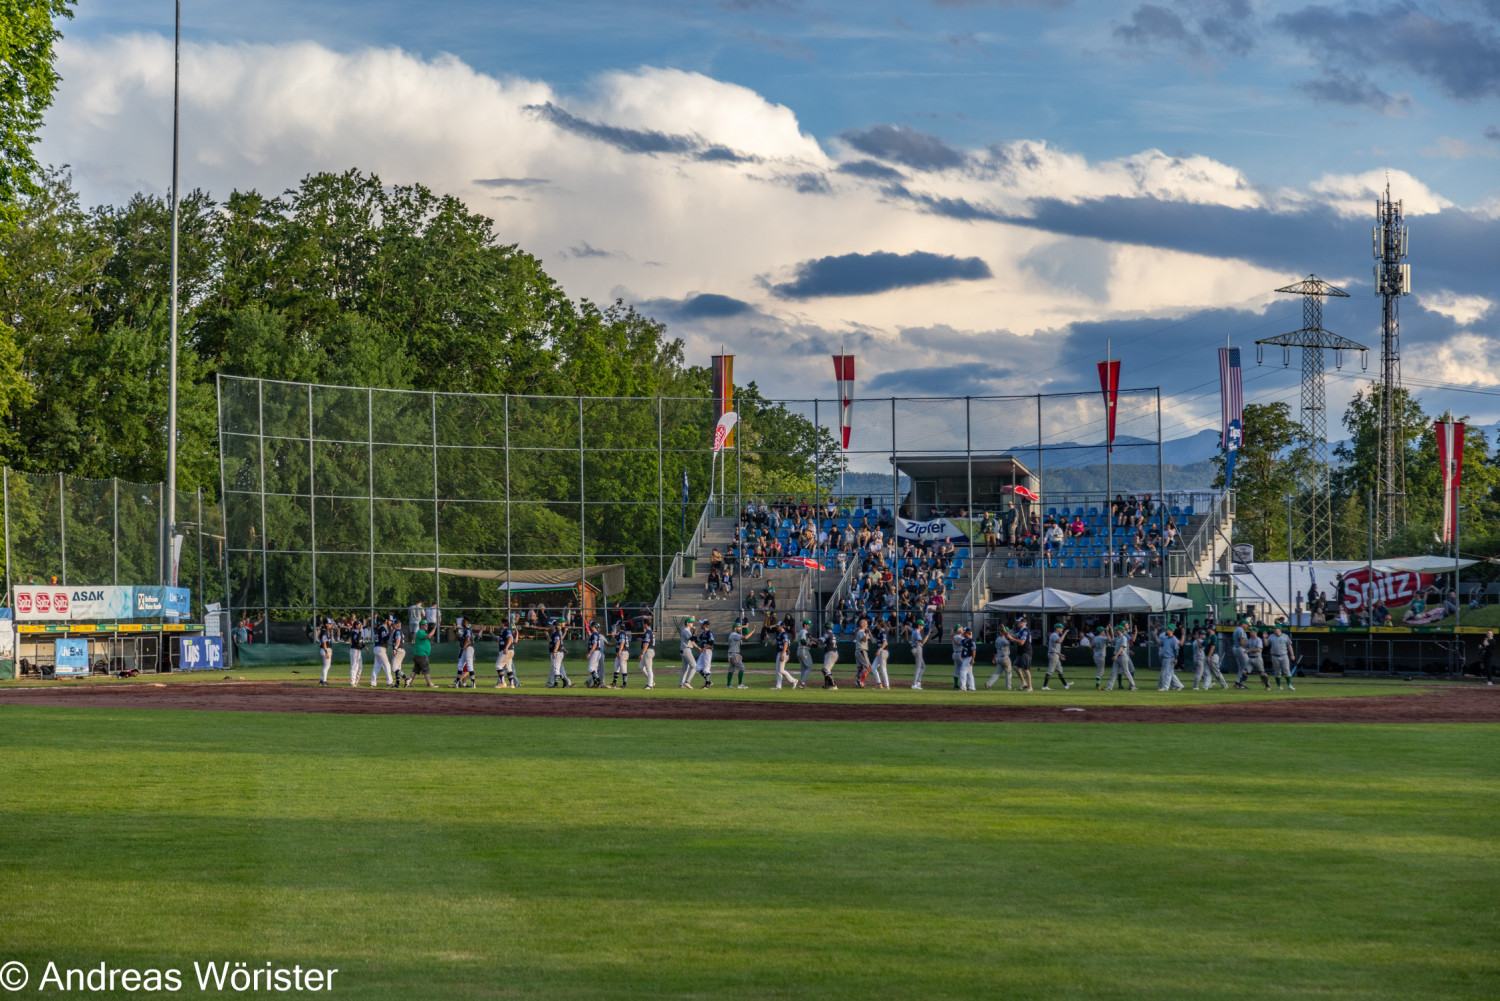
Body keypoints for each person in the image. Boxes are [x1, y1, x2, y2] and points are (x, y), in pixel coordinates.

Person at [1040, 623, 1073, 690]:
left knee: (1060, 670)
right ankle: (1044, 686)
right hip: (1053, 654)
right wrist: (1065, 633)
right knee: (1050, 670)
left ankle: (1065, 685)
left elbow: (1054, 647)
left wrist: (1060, 655)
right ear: (1057, 629)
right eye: (1061, 628)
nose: (1062, 629)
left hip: (1055, 654)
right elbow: (1059, 641)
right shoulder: (1054, 635)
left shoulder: (1054, 635)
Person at [1105, 623, 1136, 691]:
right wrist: (1107, 632)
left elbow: (1122, 647)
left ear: (1121, 631)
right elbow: (1110, 640)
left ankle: (1133, 686)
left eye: (1117, 630)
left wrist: (1115, 655)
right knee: (1113, 672)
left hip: (1122, 656)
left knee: (1126, 672)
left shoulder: (1124, 638)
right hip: (1117, 657)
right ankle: (1109, 687)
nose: (1116, 631)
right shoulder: (1117, 638)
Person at [985, 623, 1015, 690]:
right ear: (1004, 633)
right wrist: (1008, 634)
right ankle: (1008, 687)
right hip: (1005, 658)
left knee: (998, 673)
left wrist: (994, 657)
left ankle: (988, 683)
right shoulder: (1003, 640)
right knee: (1008, 672)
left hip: (998, 657)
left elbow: (995, 649)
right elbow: (1012, 643)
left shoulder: (997, 639)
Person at [1266, 624, 1295, 690]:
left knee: (1286, 670)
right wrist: (1265, 638)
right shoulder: (1271, 636)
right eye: (1274, 629)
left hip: (1284, 655)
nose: (1274, 630)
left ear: (1279, 629)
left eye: (1275, 629)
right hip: (1274, 656)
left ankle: (1289, 685)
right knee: (1277, 671)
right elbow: (1266, 644)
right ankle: (1279, 686)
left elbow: (1289, 646)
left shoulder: (1285, 636)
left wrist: (1292, 655)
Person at [407, 618, 433, 687]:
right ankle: (429, 684)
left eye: (427, 625)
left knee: (415, 670)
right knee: (426, 669)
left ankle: (409, 683)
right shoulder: (420, 632)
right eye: (425, 625)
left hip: (418, 654)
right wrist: (435, 628)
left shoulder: (421, 632)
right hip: (421, 655)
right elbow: (429, 636)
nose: (427, 626)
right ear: (421, 626)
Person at [546, 618, 573, 687]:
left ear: (554, 626)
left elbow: (558, 642)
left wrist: (554, 652)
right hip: (559, 651)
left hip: (557, 652)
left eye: (551, 625)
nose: (550, 626)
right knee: (557, 669)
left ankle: (557, 683)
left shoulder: (557, 632)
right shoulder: (556, 632)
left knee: (556, 669)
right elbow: (558, 642)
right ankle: (565, 682)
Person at [1157, 626, 1184, 691]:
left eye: (1167, 630)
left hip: (1170, 658)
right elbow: (1161, 644)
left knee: (1168, 673)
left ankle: (1166, 687)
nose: (1166, 631)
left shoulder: (1174, 639)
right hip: (1165, 657)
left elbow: (1176, 650)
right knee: (1170, 673)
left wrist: (1176, 658)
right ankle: (1179, 685)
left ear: (1171, 631)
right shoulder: (1165, 638)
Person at [772, 621, 798, 690]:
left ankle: (793, 680)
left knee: (780, 670)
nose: (777, 627)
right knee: (779, 670)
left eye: (778, 626)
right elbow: (774, 643)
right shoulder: (779, 634)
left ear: (781, 626)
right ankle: (778, 686)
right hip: (780, 652)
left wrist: (783, 654)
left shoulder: (784, 634)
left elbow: (786, 644)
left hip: (783, 652)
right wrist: (767, 638)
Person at [726, 616, 749, 689]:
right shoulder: (734, 634)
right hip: (733, 653)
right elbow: (745, 638)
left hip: (731, 653)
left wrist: (738, 653)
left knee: (731, 669)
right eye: (739, 627)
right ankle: (740, 684)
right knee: (742, 668)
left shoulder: (731, 635)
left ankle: (728, 685)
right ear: (735, 628)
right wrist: (752, 631)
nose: (740, 628)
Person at [495, 617, 518, 688]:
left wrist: (506, 647)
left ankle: (502, 683)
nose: (499, 624)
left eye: (500, 623)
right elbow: (499, 639)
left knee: (498, 666)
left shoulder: (507, 630)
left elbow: (510, 638)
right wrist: (491, 634)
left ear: (503, 624)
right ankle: (512, 684)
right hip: (510, 651)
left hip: (506, 651)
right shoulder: (503, 631)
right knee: (508, 668)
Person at [371, 616, 393, 688]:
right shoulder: (383, 628)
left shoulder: (382, 627)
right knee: (387, 665)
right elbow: (384, 637)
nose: (391, 622)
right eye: (390, 621)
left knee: (376, 666)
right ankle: (390, 681)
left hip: (377, 648)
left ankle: (373, 682)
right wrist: (392, 633)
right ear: (386, 620)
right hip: (380, 649)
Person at [454, 618, 476, 688]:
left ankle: (473, 684)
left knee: (469, 665)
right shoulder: (464, 631)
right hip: (464, 648)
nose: (462, 623)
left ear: (466, 622)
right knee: (460, 665)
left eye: (463, 621)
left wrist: (463, 649)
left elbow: (468, 639)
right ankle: (457, 682)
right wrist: (455, 631)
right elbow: (460, 639)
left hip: (468, 648)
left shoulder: (468, 630)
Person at [678, 617, 700, 689]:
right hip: (686, 649)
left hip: (684, 649)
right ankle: (687, 682)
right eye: (691, 622)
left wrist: (698, 647)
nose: (692, 623)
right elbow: (691, 639)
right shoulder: (686, 630)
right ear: (687, 623)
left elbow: (693, 640)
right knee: (694, 666)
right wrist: (695, 632)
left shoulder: (688, 630)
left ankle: (681, 684)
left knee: (685, 668)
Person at [694, 619, 716, 688]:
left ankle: (706, 685)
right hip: (704, 652)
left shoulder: (709, 633)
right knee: (698, 667)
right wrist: (695, 632)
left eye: (702, 624)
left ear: (705, 625)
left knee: (706, 668)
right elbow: (696, 640)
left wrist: (705, 647)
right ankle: (708, 681)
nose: (701, 625)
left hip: (708, 651)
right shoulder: (703, 633)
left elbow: (712, 643)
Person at [610, 618, 632, 688]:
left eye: (617, 626)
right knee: (616, 667)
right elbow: (619, 642)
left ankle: (624, 685)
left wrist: (619, 652)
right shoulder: (622, 633)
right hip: (622, 652)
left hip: (623, 652)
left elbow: (622, 643)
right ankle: (614, 683)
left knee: (623, 668)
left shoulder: (622, 633)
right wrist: (613, 637)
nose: (616, 627)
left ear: (620, 626)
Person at [584, 621, 606, 688]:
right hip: (596, 651)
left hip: (595, 651)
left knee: (590, 668)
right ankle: (596, 683)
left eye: (590, 626)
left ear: (593, 626)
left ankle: (599, 681)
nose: (590, 627)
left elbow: (595, 644)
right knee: (595, 669)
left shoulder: (595, 634)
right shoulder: (594, 634)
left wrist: (589, 653)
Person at [795, 619, 816, 689]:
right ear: (805, 625)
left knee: (803, 668)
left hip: (800, 650)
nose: (809, 626)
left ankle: (802, 685)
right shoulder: (804, 631)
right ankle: (803, 683)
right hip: (804, 650)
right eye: (808, 625)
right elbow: (803, 641)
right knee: (809, 667)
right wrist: (809, 643)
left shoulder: (802, 631)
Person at [871, 617, 891, 690]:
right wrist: (870, 634)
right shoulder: (880, 632)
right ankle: (879, 684)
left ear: (879, 624)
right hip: (880, 652)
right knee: (873, 667)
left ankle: (887, 686)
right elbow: (874, 641)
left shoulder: (883, 632)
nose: (876, 625)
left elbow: (885, 643)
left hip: (883, 652)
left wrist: (879, 650)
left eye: (877, 623)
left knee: (883, 669)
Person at [819, 622, 840, 688]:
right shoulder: (832, 634)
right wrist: (814, 645)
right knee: (828, 670)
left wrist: (811, 638)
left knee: (825, 670)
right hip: (833, 653)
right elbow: (824, 646)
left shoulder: (827, 634)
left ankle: (833, 684)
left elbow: (820, 640)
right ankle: (827, 685)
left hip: (830, 653)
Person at [909, 618, 928, 690]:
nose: (923, 626)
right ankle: (914, 684)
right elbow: (922, 642)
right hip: (917, 648)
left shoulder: (916, 632)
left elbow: (922, 642)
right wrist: (928, 635)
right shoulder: (916, 632)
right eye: (922, 625)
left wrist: (928, 634)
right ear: (919, 625)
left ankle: (918, 682)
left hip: (916, 648)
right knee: (919, 666)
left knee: (923, 666)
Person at [347, 617, 366, 688]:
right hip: (354, 650)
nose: (360, 625)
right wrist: (360, 632)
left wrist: (365, 647)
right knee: (354, 667)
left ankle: (356, 682)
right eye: (359, 624)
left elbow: (360, 643)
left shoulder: (358, 632)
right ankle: (352, 682)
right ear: (356, 626)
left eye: (360, 624)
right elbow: (357, 640)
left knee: (360, 667)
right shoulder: (354, 632)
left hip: (359, 651)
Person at [956, 626, 977, 691]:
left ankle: (963, 687)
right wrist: (952, 636)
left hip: (969, 658)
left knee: (962, 672)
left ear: (968, 633)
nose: (963, 633)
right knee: (969, 673)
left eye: (964, 632)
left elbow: (974, 650)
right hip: (966, 658)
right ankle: (972, 687)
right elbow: (957, 643)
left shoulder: (971, 641)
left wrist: (973, 659)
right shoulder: (965, 640)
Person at [389, 616, 407, 687]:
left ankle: (406, 678)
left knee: (394, 668)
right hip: (401, 650)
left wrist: (395, 649)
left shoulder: (398, 630)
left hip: (398, 650)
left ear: (397, 624)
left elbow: (398, 640)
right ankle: (397, 683)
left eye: (393, 624)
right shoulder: (397, 631)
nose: (392, 626)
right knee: (398, 668)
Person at [639, 619, 657, 689]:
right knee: (641, 666)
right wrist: (642, 640)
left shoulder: (648, 632)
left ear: (646, 624)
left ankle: (650, 685)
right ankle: (651, 681)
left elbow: (647, 643)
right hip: (649, 650)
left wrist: (642, 653)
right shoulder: (649, 632)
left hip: (648, 651)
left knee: (648, 669)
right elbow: (646, 641)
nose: (643, 625)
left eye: (643, 623)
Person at [317, 619, 333, 687]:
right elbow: (324, 643)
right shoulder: (324, 632)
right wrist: (326, 652)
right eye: (329, 623)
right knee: (327, 666)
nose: (331, 625)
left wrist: (330, 651)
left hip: (327, 650)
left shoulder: (326, 631)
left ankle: (322, 680)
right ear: (326, 624)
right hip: (325, 650)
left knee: (327, 666)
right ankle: (324, 681)